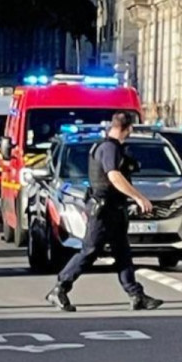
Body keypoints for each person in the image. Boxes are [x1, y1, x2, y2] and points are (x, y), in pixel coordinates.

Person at [47, 112, 163, 312]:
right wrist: (139, 197)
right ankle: (60, 288)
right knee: (90, 251)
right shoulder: (109, 148)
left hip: (114, 209)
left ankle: (136, 294)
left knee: (123, 253)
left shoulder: (110, 147)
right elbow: (114, 176)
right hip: (103, 210)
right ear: (128, 129)